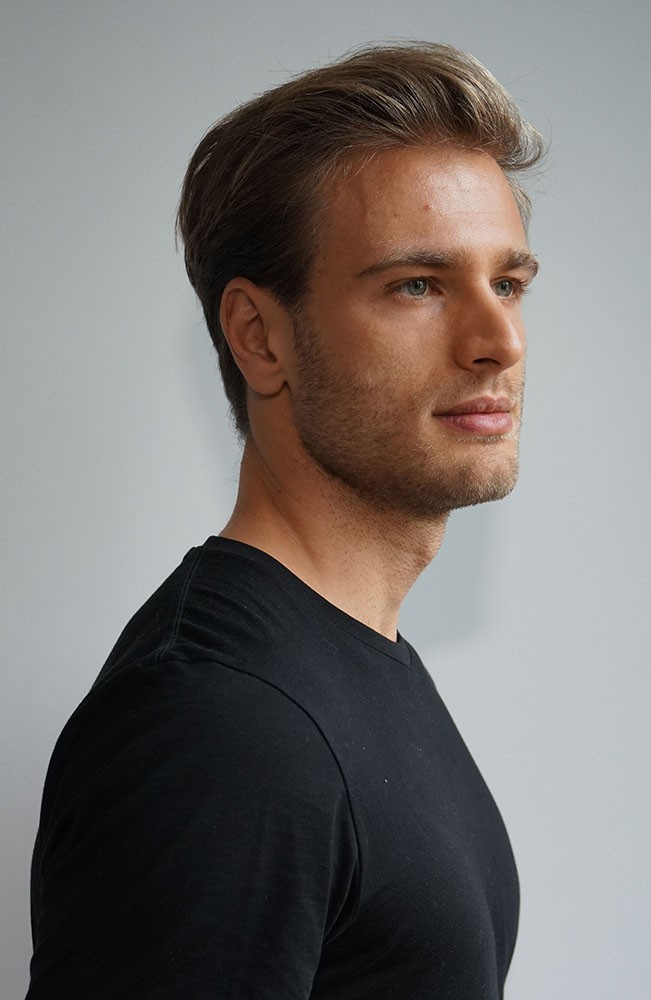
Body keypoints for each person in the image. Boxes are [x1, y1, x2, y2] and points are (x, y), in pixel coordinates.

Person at [26, 41, 544, 1000]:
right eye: (418, 285)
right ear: (259, 337)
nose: (499, 341)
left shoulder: (344, 661)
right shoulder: (217, 724)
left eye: (508, 284)